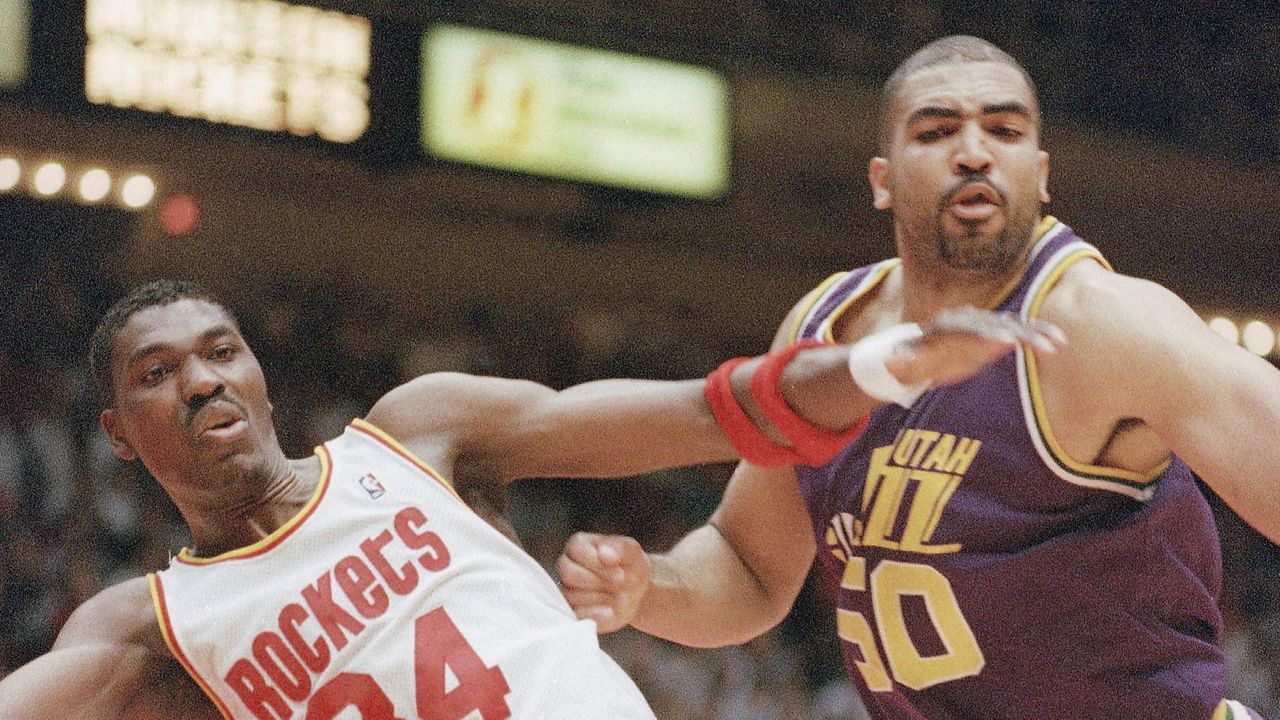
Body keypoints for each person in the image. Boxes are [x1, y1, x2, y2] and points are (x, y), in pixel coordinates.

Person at [557, 35, 1280, 720]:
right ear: (882, 181)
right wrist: (649, 586)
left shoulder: (1105, 325)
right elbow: (750, 565)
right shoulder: (826, 331)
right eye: (936, 133)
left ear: (1042, 172)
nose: (974, 153)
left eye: (1004, 130)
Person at [0, 279, 1058, 719]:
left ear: (261, 372)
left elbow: (695, 412)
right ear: (117, 440)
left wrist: (880, 366)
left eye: (221, 351)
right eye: (156, 374)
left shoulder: (419, 432)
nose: (200, 380)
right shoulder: (154, 626)